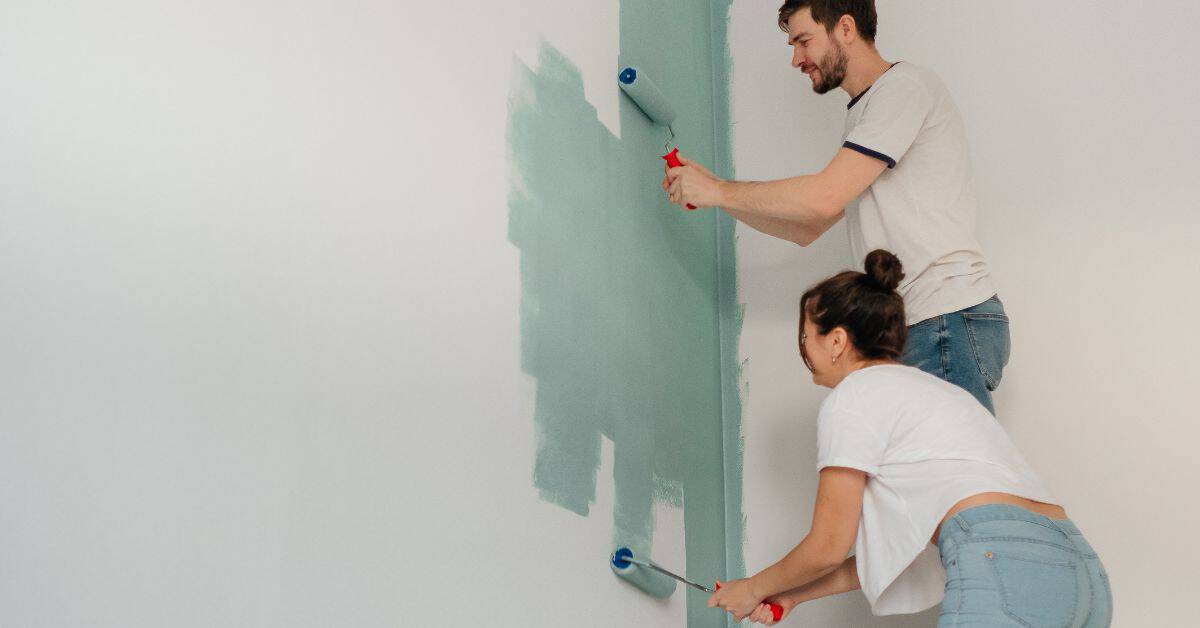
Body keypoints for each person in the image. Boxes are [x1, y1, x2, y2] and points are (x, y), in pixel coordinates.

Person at [707, 250, 1111, 626]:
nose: (804, 349)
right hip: (1083, 572)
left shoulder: (853, 397)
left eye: (806, 337)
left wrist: (751, 588)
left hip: (1000, 561)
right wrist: (792, 594)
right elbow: (891, 555)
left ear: (837, 341)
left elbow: (828, 545)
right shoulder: (938, 394)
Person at [663, 0, 1009, 414]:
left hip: (943, 318)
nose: (796, 59)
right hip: (924, 324)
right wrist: (715, 194)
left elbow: (822, 196)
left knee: (949, 458)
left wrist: (719, 190)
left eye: (803, 41)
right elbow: (806, 227)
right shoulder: (868, 113)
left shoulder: (903, 89)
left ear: (845, 28)